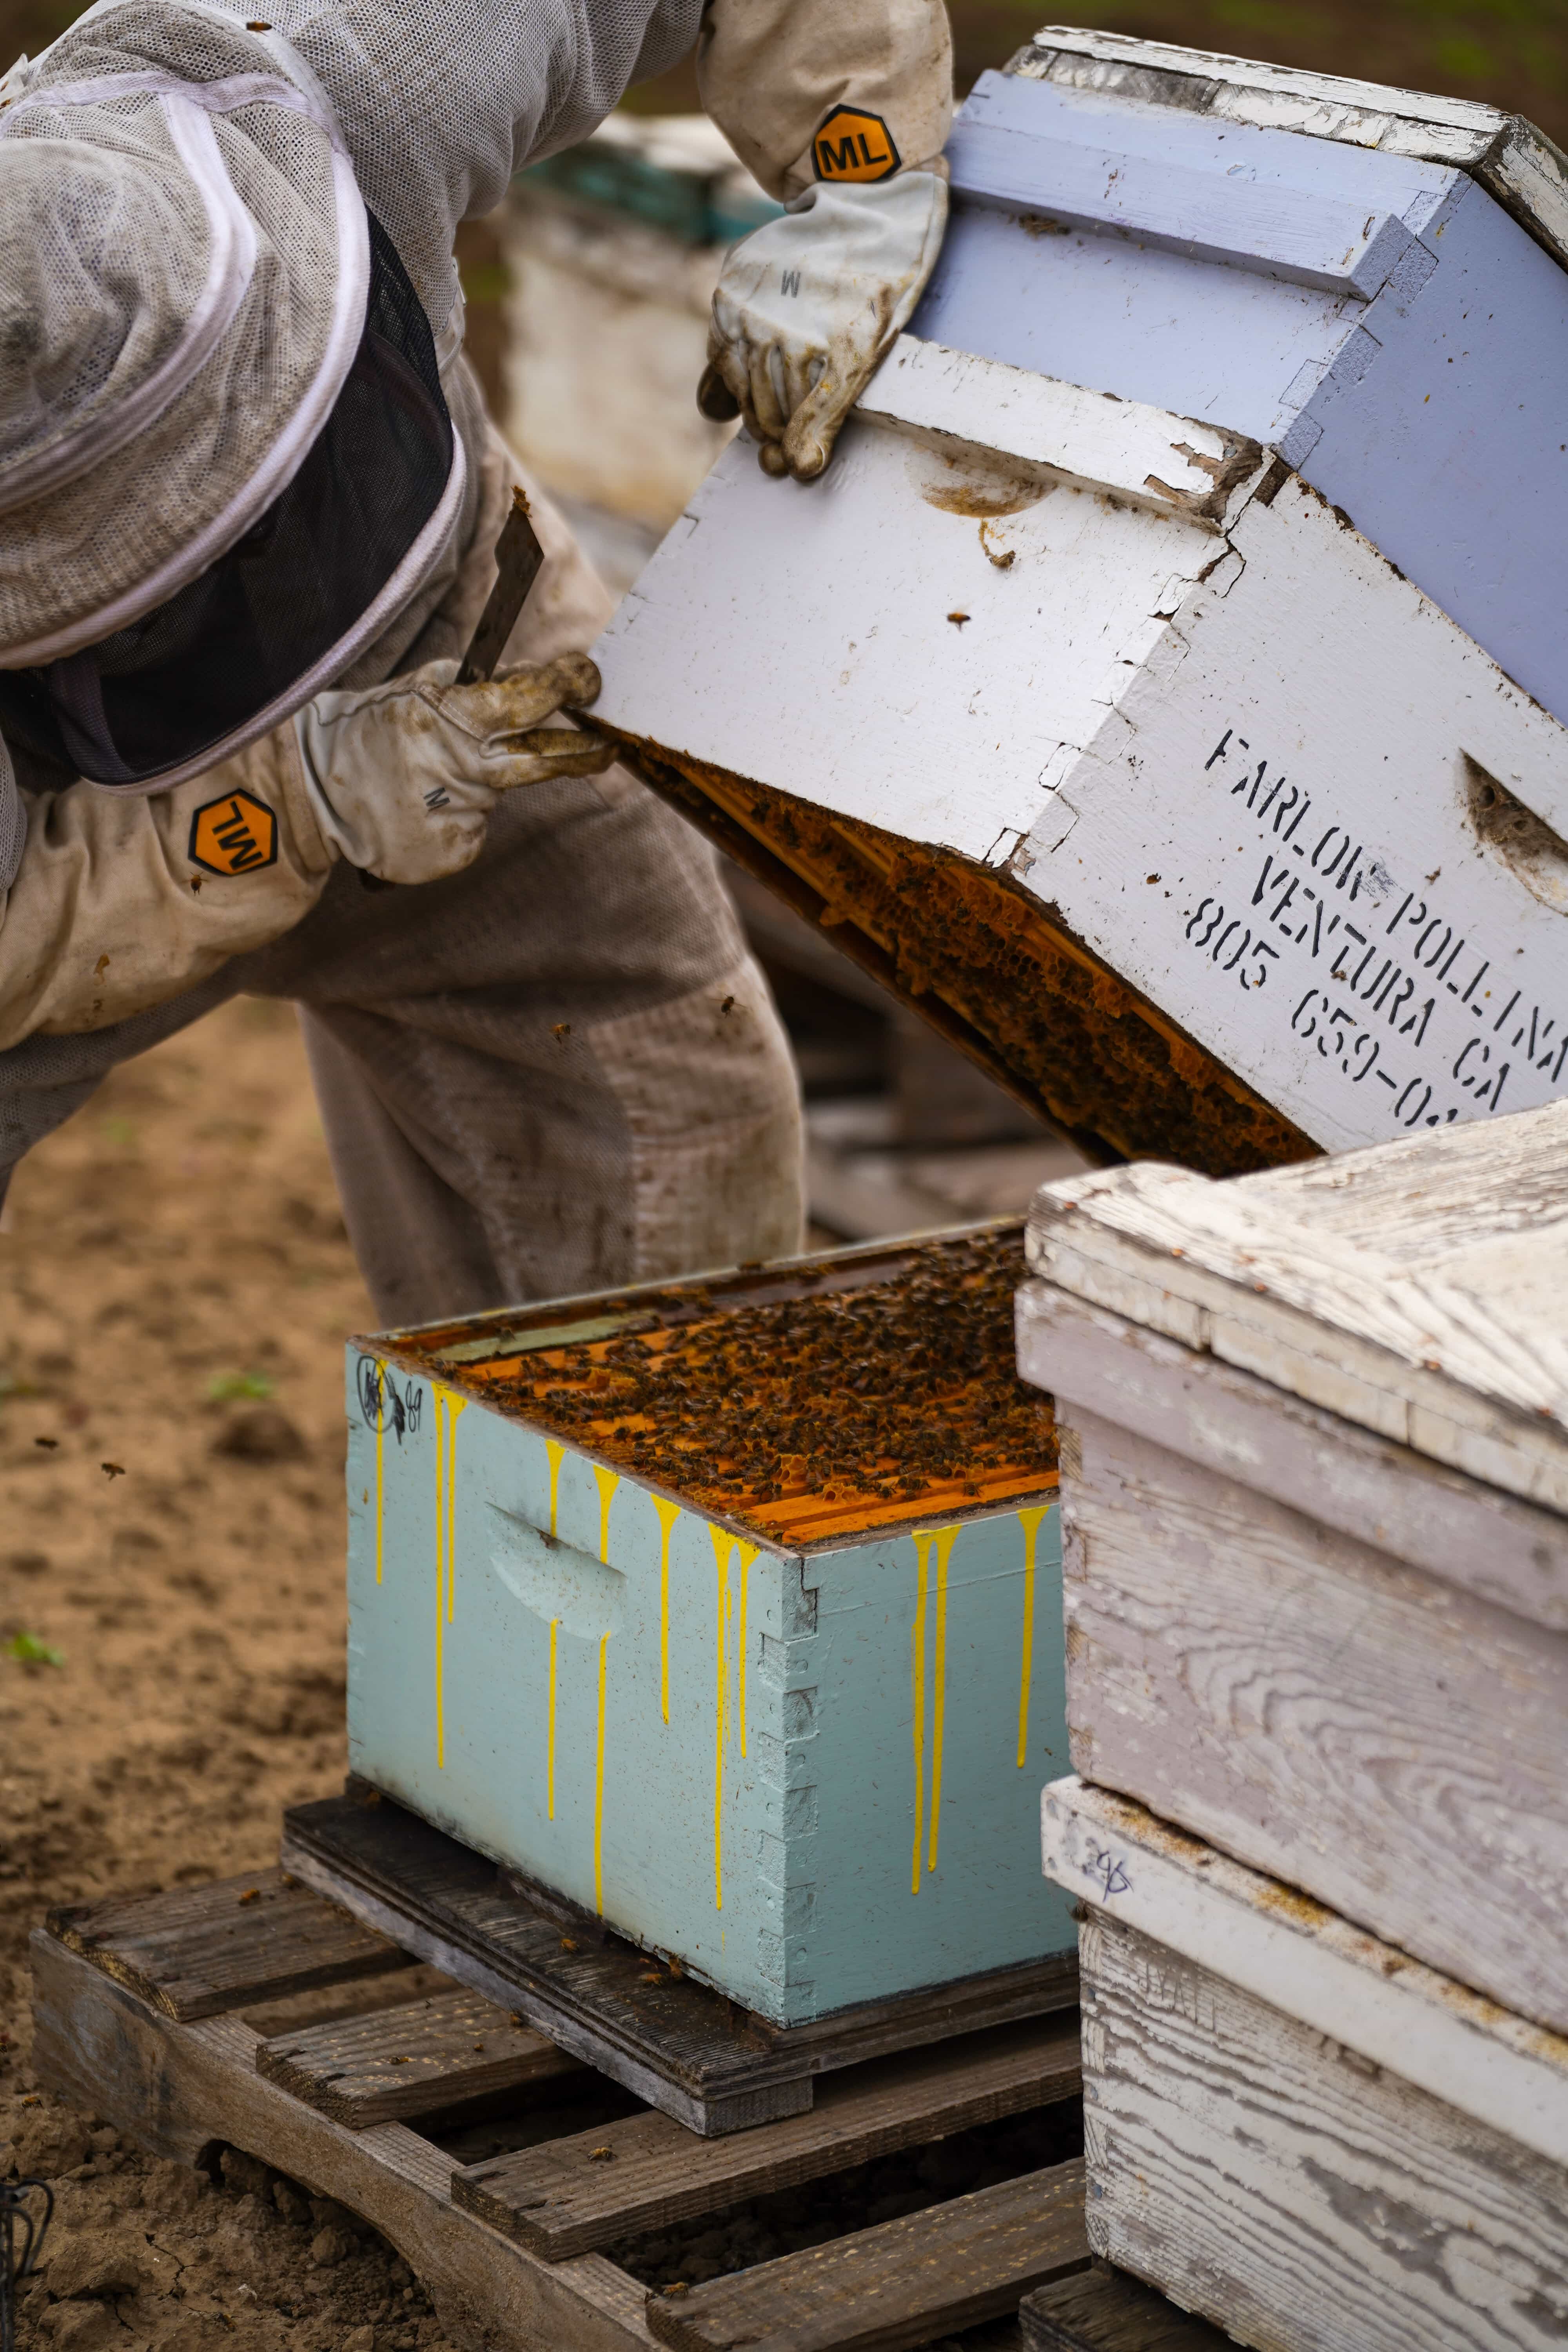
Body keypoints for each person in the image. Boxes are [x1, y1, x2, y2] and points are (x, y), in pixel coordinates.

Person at [0, 0, 953, 1324]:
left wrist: (863, 180)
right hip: (65, 832)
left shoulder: (358, 75)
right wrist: (300, 803)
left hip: (468, 661)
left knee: (682, 1090)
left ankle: (556, 1516)